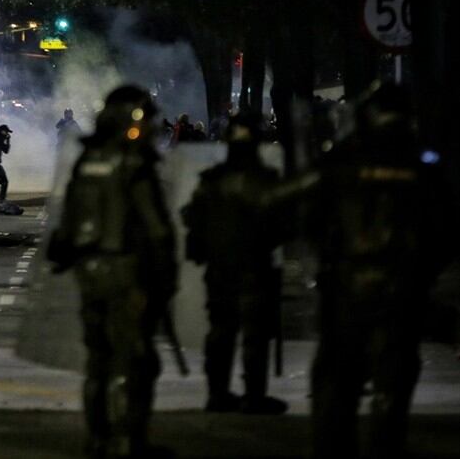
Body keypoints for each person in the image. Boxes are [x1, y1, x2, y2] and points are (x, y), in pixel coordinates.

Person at [295, 82, 455, 458]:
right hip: (403, 289)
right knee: (392, 388)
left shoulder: (343, 159)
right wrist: (423, 271)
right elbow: (448, 230)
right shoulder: (423, 165)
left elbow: (304, 213)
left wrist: (323, 259)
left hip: (348, 288)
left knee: (338, 384)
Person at [47, 85, 177, 458]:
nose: (152, 126)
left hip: (89, 271)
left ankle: (97, 437)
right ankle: (126, 441)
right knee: (132, 359)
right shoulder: (135, 164)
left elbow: (68, 223)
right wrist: (165, 278)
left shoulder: (87, 160)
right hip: (125, 270)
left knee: (98, 358)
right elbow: (156, 229)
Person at [181, 111, 289, 415]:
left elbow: (192, 219)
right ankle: (254, 397)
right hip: (255, 267)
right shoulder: (265, 180)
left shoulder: (211, 180)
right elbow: (284, 226)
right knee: (255, 334)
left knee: (221, 332)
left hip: (220, 267)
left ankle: (218, 394)